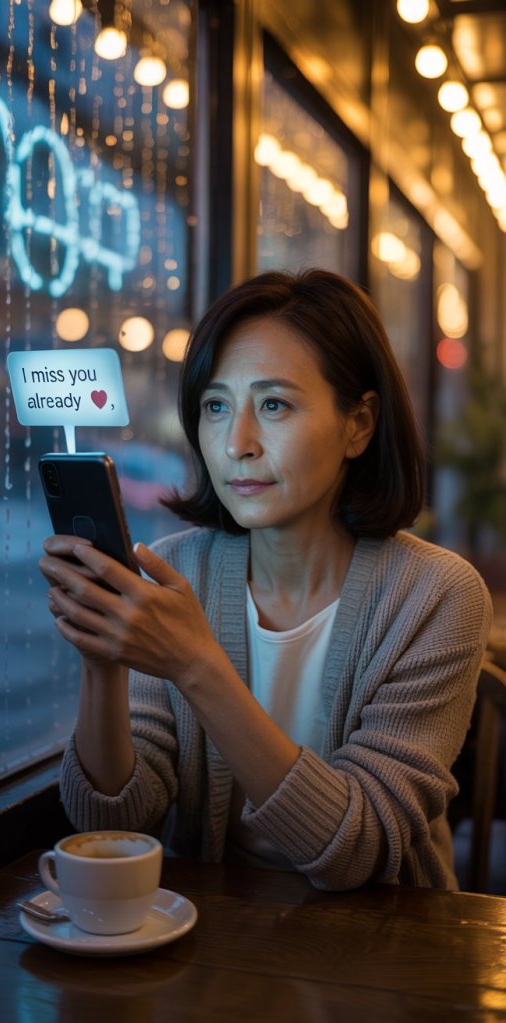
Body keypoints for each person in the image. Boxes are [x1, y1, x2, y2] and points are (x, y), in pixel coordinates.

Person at [40, 268, 492, 891]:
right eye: (216, 407)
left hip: (386, 954)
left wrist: (196, 665)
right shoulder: (179, 574)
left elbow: (356, 853)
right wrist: (104, 661)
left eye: (274, 404)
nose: (237, 443)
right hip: (209, 943)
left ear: (358, 425)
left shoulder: (435, 595)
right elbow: (113, 817)